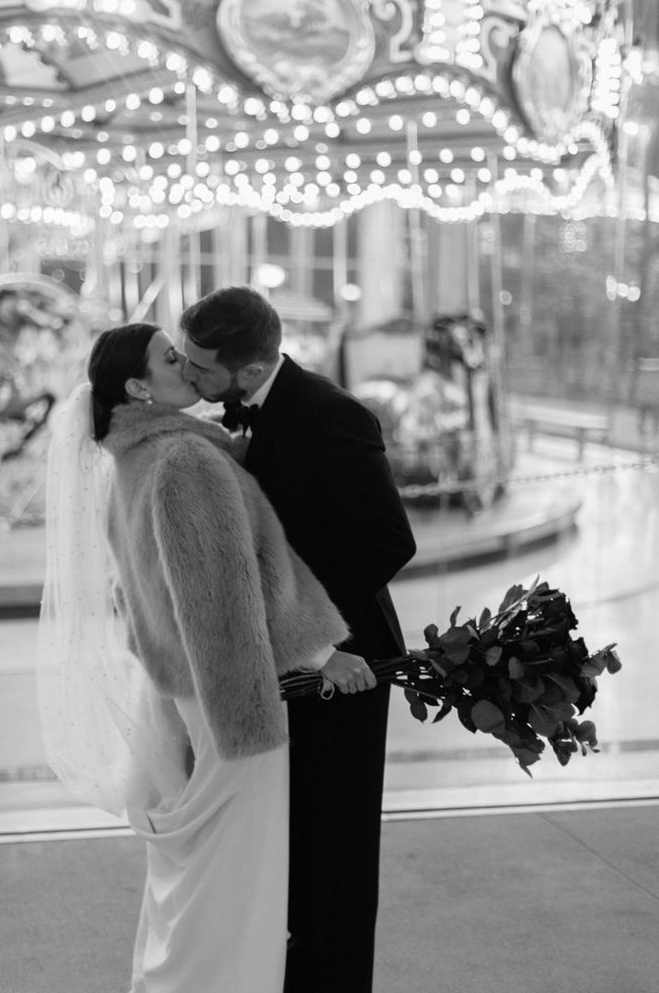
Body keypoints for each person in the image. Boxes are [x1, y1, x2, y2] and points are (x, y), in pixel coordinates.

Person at [37, 322, 350, 993]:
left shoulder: (136, 459)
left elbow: (144, 594)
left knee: (196, 868)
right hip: (233, 696)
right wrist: (322, 652)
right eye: (170, 357)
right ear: (139, 385)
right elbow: (223, 594)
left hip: (185, 688)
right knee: (238, 875)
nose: (187, 364)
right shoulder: (185, 460)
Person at [180, 287, 417, 993]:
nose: (190, 377)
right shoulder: (236, 412)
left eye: (200, 367)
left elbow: (387, 539)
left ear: (250, 372)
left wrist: (304, 628)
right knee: (290, 848)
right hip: (282, 661)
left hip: (342, 662)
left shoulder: (332, 416)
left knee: (335, 852)